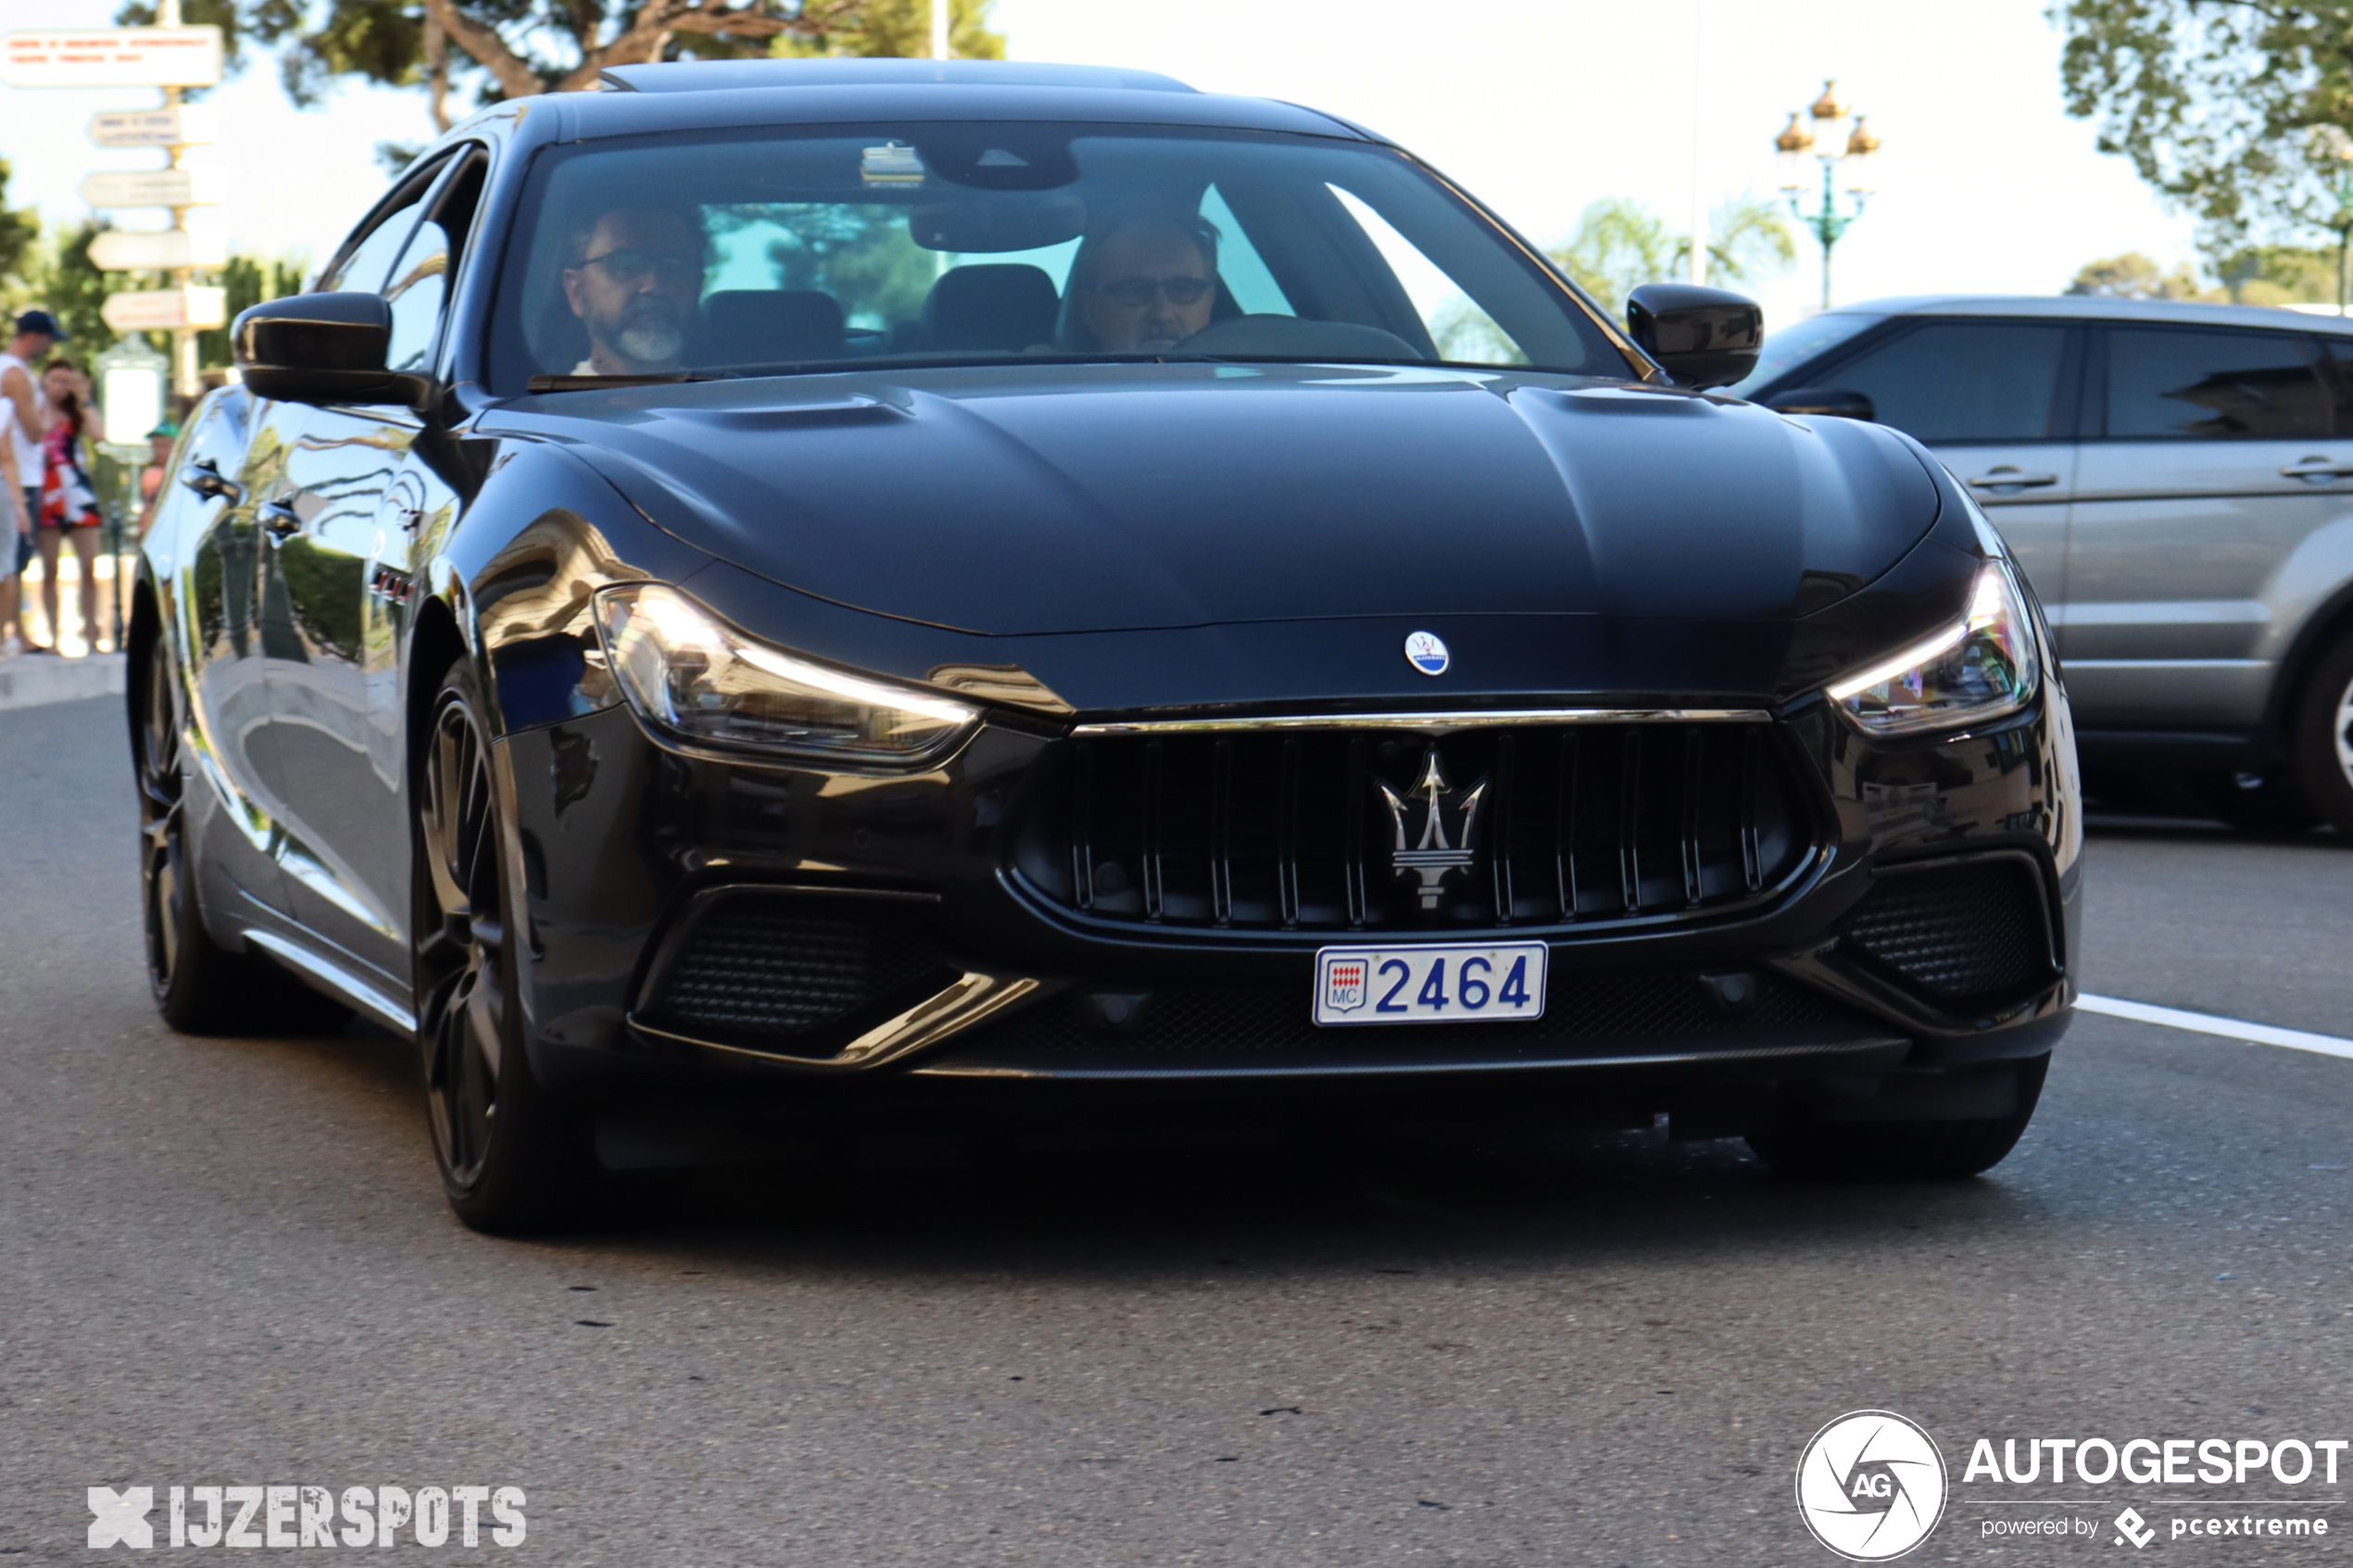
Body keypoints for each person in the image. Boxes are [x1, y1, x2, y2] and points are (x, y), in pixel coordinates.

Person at [559, 206, 706, 376]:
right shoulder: (547, 399)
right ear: (575, 291)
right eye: (625, 265)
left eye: (676, 267)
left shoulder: (728, 395)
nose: (654, 286)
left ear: (697, 289)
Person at [1070, 210, 1222, 353]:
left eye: (1182, 290)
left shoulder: (1242, 378)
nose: (1162, 314)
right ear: (1090, 310)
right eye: (1135, 291)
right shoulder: (1053, 379)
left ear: (1210, 301)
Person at [0, 309, 59, 657]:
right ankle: (13, 634)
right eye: (48, 340)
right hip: (19, 475)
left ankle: (16, 631)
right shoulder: (16, 375)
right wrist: (50, 412)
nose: (48, 348)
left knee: (12, 560)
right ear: (35, 337)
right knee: (13, 560)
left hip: (15, 472)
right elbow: (34, 431)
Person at [36, 358, 104, 654]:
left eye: (67, 381)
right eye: (56, 380)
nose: (61, 387)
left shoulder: (76, 414)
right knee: (50, 568)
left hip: (76, 490)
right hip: (45, 490)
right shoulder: (34, 408)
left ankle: (91, 631)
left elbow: (99, 435)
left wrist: (84, 398)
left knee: (89, 565)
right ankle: (52, 636)